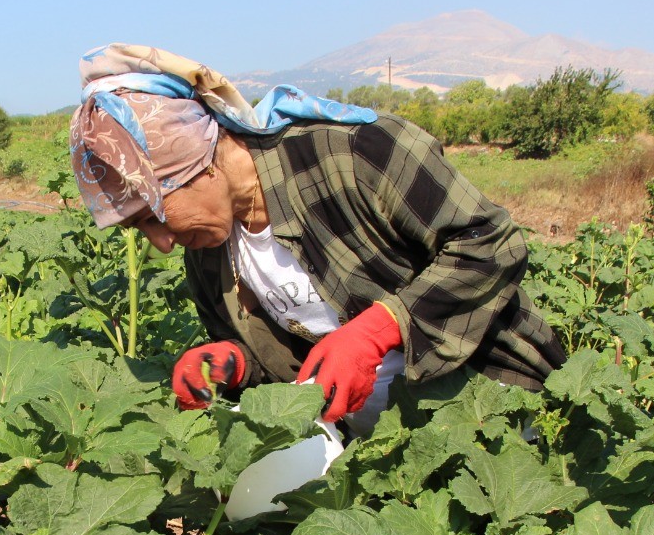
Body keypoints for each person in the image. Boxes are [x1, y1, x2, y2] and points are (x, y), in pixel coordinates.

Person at [69, 43, 565, 434]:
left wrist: (383, 328)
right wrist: (234, 364)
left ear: (195, 164)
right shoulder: (209, 250)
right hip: (367, 447)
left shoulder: (357, 153)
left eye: (154, 215)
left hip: (490, 408)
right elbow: (288, 362)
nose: (161, 243)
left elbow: (490, 243)